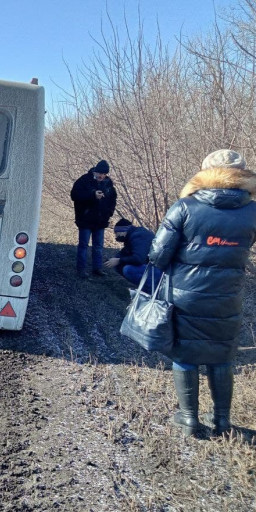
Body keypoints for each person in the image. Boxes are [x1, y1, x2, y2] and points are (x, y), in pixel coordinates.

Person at [147, 149, 256, 437]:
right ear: (242, 174)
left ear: (204, 173)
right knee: (221, 356)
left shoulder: (185, 207)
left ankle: (189, 419)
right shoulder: (253, 210)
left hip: (187, 296)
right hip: (228, 297)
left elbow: (157, 255)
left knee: (185, 355)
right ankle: (222, 422)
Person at [71, 159, 117, 278]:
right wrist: (92, 195)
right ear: (95, 171)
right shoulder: (84, 180)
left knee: (98, 246)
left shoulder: (108, 184)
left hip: (100, 220)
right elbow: (74, 195)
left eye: (104, 174)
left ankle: (97, 268)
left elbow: (113, 199)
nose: (101, 176)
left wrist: (109, 212)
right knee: (83, 245)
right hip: (85, 220)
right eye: (100, 173)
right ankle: (81, 269)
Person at [104, 218, 160, 292]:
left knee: (128, 270)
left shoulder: (138, 236)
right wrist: (113, 259)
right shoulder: (132, 235)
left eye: (116, 233)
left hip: (159, 270)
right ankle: (145, 286)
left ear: (122, 231)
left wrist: (119, 260)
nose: (116, 236)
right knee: (119, 265)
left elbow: (139, 259)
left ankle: (152, 291)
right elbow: (125, 252)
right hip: (152, 266)